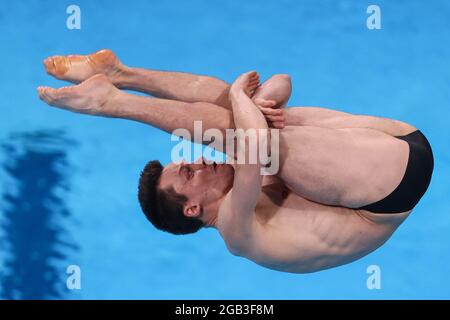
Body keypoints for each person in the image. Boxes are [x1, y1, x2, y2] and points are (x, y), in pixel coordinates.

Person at [38, 50, 433, 273]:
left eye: (189, 162)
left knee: (238, 117)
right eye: (189, 172)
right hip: (390, 188)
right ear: (192, 208)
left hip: (399, 138)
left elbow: (282, 79)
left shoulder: (237, 176)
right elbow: (255, 143)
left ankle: (121, 74)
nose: (200, 161)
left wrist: (256, 101)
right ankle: (110, 103)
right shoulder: (235, 227)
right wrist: (247, 102)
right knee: (247, 133)